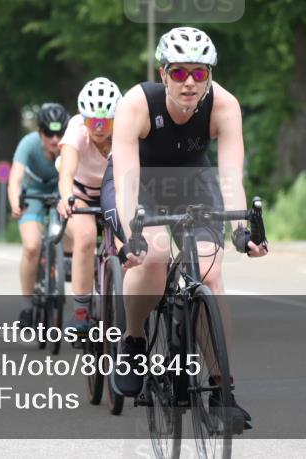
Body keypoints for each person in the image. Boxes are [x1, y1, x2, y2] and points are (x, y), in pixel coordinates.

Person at [104, 27, 267, 430]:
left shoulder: (224, 105)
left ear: (210, 74)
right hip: (136, 182)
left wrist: (242, 230)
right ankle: (134, 339)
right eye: (179, 73)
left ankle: (221, 389)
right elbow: (125, 178)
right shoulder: (136, 105)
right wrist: (131, 236)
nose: (189, 82)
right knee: (154, 254)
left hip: (192, 179)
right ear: (163, 74)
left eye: (199, 73)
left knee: (210, 274)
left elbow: (230, 176)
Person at [56, 77, 123, 333]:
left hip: (114, 190)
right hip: (81, 192)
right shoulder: (76, 128)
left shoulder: (124, 129)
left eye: (105, 121)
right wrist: (65, 197)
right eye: (91, 120)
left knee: (127, 243)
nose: (98, 127)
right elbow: (66, 173)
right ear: (83, 118)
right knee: (84, 237)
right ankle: (81, 310)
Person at [9, 102, 69, 327]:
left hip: (59, 191)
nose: (55, 139)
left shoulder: (70, 145)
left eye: (60, 133)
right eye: (49, 133)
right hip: (32, 193)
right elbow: (15, 178)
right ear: (39, 132)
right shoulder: (28, 144)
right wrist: (15, 202)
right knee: (32, 246)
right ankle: (26, 306)